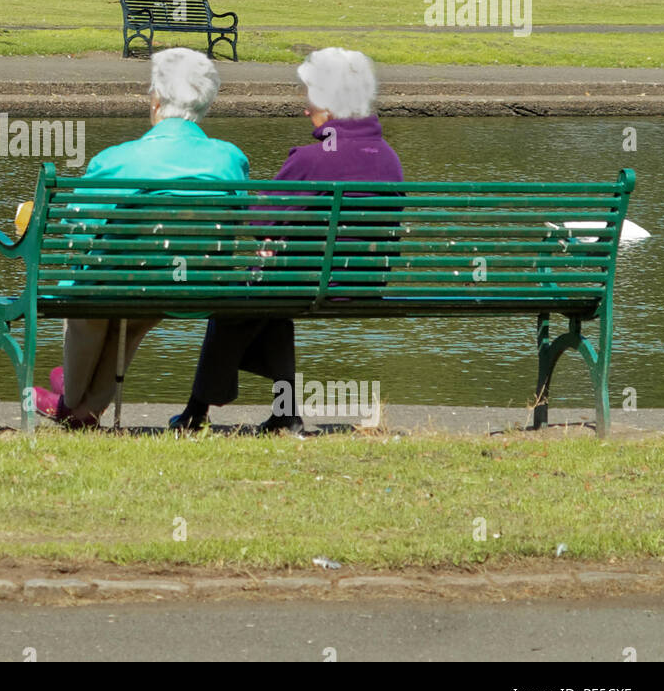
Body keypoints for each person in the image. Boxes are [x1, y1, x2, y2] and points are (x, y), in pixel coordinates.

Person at [170, 47, 403, 434]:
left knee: (238, 300)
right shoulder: (388, 157)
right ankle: (285, 414)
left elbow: (260, 222)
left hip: (312, 283)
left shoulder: (314, 158)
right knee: (270, 307)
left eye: (309, 95)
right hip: (365, 284)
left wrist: (263, 221)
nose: (304, 107)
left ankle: (197, 411)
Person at [33, 47, 250, 427]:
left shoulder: (117, 159)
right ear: (205, 105)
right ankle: (83, 408)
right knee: (132, 309)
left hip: (125, 283)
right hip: (194, 286)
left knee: (90, 294)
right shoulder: (229, 159)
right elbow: (240, 218)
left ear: (155, 101)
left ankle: (72, 402)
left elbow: (74, 229)